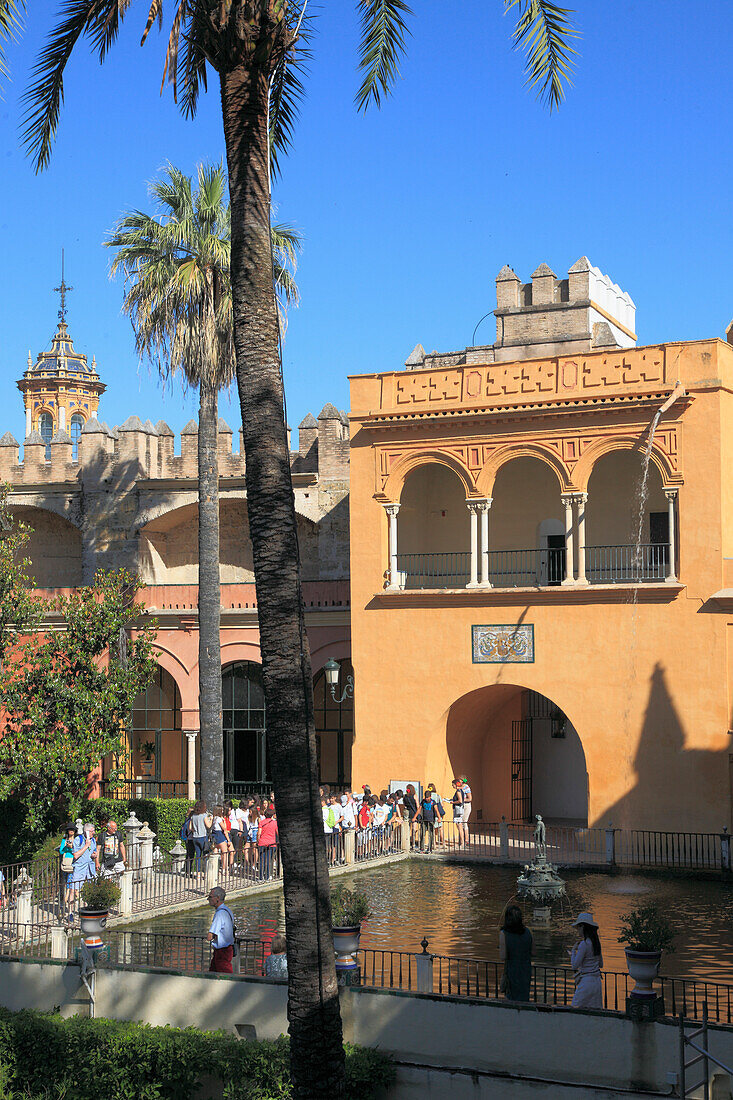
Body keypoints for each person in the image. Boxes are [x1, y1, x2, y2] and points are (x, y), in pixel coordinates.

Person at [499, 905, 533, 1002]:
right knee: (524, 997)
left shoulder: (503, 933)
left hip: (512, 970)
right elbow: (534, 952)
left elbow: (503, 956)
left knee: (511, 999)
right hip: (526, 969)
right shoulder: (528, 931)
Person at [570, 912, 604, 1009]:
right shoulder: (596, 943)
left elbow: (574, 966)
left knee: (575, 1008)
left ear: (583, 927)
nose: (578, 930)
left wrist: (573, 952)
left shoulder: (584, 944)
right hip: (597, 983)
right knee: (595, 1012)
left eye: (578, 927)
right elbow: (601, 964)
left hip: (586, 982)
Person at [207, 885, 235, 973]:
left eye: (210, 897)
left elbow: (209, 936)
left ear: (217, 898)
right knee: (213, 973)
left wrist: (211, 936)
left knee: (225, 975)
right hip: (227, 949)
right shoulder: (227, 910)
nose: (208, 899)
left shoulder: (220, 914)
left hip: (222, 951)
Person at [190, 801, 212, 872]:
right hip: (202, 836)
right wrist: (211, 819)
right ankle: (205, 871)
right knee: (205, 855)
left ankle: (198, 872)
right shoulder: (203, 816)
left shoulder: (193, 816)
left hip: (195, 837)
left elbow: (190, 828)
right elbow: (208, 826)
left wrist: (195, 830)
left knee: (198, 856)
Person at [212, 805, 235, 872]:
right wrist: (228, 840)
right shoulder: (219, 819)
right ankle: (224, 869)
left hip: (215, 836)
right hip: (220, 835)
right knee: (225, 853)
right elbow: (224, 829)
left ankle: (215, 868)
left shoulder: (213, 818)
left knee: (216, 853)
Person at [257, 807, 278, 879]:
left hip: (262, 842)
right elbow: (277, 833)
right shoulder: (275, 823)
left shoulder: (261, 822)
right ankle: (267, 876)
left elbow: (259, 833)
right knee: (269, 860)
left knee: (261, 860)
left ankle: (260, 877)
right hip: (271, 843)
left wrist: (258, 841)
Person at [451, 778, 467, 847]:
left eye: (453, 785)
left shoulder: (458, 791)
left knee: (459, 826)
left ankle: (462, 843)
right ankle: (461, 842)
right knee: (459, 826)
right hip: (460, 809)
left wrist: (453, 802)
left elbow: (460, 800)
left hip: (458, 810)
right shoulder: (461, 790)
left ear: (455, 784)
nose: (452, 786)